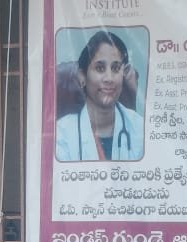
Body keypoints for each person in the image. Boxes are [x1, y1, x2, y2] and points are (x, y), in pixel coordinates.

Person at [56, 30, 143, 162]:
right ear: (82, 77)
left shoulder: (140, 129)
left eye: (115, 68)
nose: (109, 78)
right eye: (100, 68)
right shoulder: (61, 135)